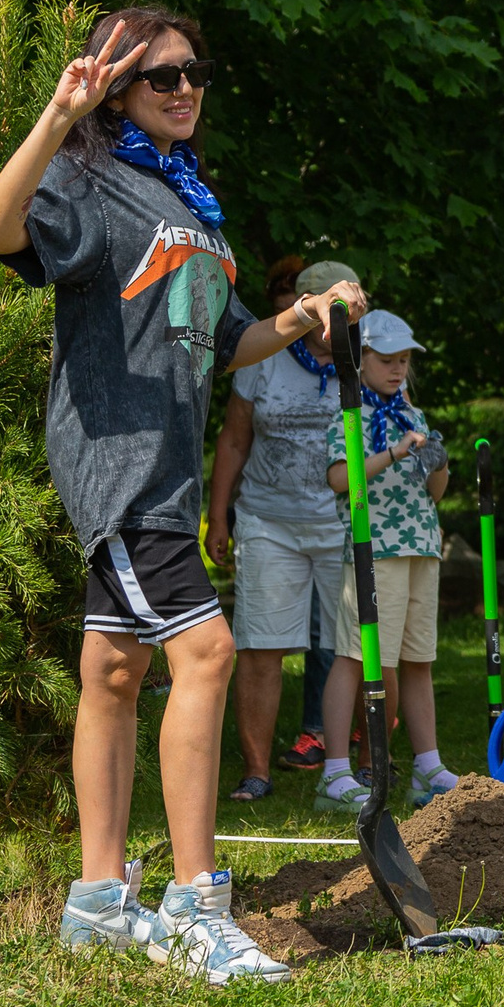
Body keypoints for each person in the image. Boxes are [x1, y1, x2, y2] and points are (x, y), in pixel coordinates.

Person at [0, 7, 363, 985]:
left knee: (111, 673)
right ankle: (197, 904)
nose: (186, 88)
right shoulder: (89, 176)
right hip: (119, 463)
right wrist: (59, 117)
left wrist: (303, 317)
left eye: (196, 72)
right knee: (207, 651)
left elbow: (227, 338)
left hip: (167, 471)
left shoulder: (183, 197)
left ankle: (99, 901)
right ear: (116, 89)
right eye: (162, 77)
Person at [207, 258, 364, 799]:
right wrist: (218, 514)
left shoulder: (368, 358)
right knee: (262, 647)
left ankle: (347, 764)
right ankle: (257, 770)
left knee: (352, 644)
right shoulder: (265, 355)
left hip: (343, 523)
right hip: (268, 520)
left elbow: (397, 423)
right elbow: (232, 440)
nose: (338, 320)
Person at [319, 310, 461, 809]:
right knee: (356, 657)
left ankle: (428, 768)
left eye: (404, 360)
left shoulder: (413, 416)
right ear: (361, 361)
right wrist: (397, 454)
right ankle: (334, 773)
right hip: (373, 548)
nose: (398, 369)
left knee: (418, 660)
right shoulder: (349, 413)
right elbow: (340, 479)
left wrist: (436, 463)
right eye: (387, 360)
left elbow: (433, 493)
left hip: (421, 545)